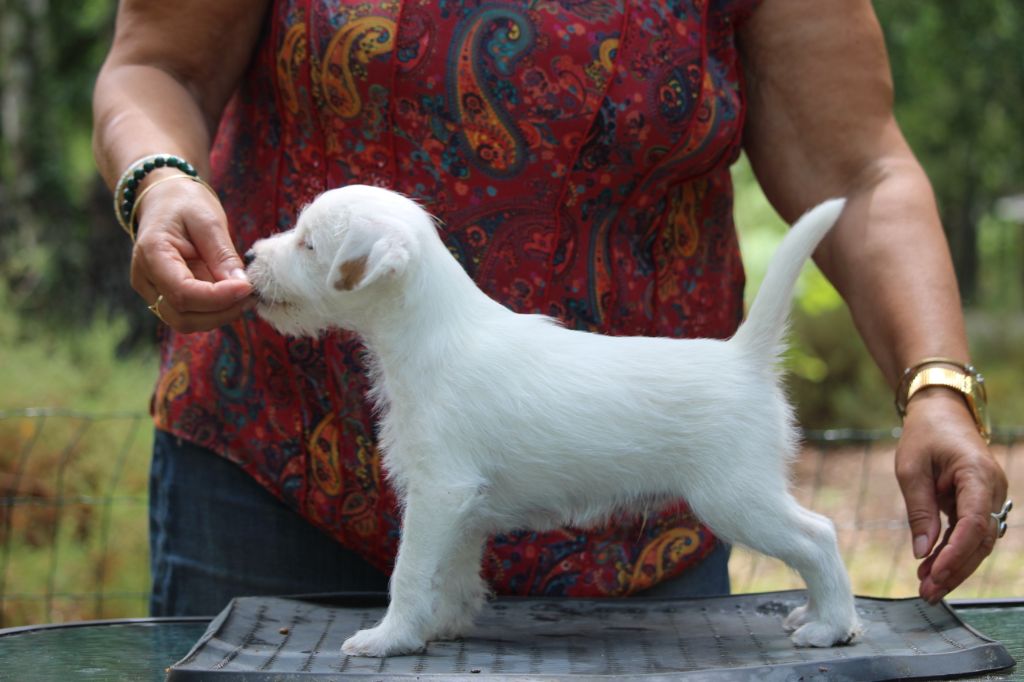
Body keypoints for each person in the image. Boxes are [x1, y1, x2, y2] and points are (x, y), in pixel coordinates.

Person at [93, 0, 1009, 617]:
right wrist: (159, 179)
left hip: (636, 519)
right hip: (276, 485)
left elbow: (861, 170)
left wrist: (935, 384)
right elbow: (153, 66)